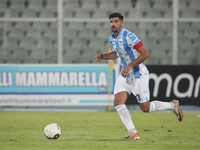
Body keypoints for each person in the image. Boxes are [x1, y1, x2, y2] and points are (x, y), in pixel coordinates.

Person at [95, 12, 183, 140]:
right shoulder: (112, 38)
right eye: (111, 22)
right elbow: (117, 54)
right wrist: (103, 56)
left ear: (122, 23)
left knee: (145, 108)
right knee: (118, 102)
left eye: (116, 21)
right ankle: (133, 132)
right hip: (125, 75)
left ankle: (172, 105)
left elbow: (145, 53)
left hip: (138, 73)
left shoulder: (129, 36)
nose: (113, 24)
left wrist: (130, 65)